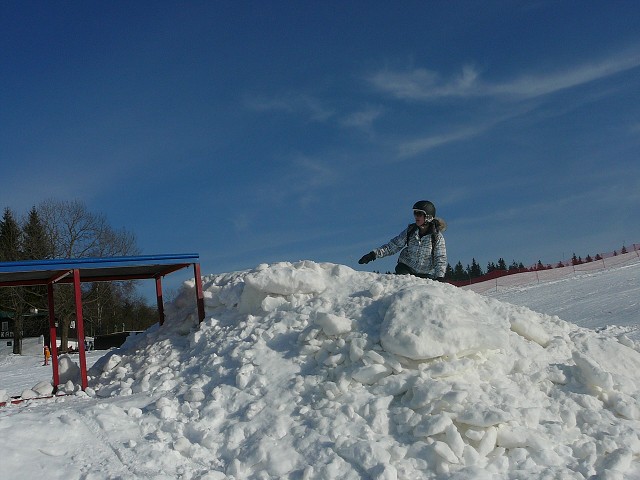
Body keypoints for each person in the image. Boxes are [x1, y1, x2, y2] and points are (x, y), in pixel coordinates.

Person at [358, 200, 447, 281]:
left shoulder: (436, 237)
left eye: (419, 214)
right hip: (406, 268)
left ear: (428, 217)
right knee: (404, 286)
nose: (416, 216)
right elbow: (393, 246)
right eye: (415, 213)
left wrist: (440, 276)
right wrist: (373, 255)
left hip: (425, 273)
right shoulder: (410, 231)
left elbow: (440, 258)